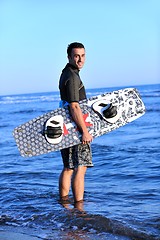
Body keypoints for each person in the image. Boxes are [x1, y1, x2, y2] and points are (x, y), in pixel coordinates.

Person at [58, 42, 93, 207]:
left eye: (83, 55)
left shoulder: (67, 73)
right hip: (75, 128)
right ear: (69, 57)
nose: (80, 59)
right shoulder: (72, 77)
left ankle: (64, 204)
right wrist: (84, 131)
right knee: (81, 166)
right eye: (76, 56)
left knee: (68, 167)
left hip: (66, 126)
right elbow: (74, 106)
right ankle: (79, 208)